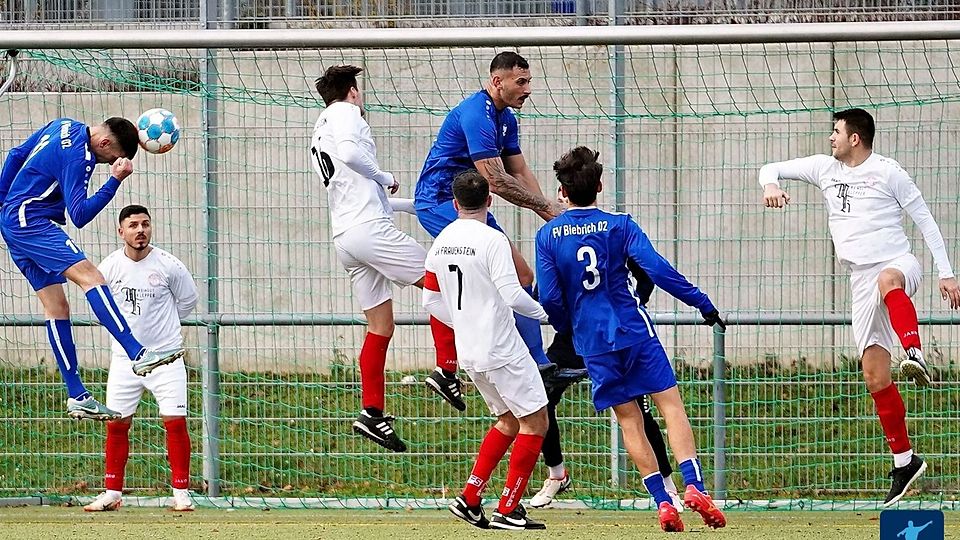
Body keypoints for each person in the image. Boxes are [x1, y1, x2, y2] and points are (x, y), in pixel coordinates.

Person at [759, 108, 959, 507]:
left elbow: (925, 221)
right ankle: (905, 461)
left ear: (855, 138)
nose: (830, 138)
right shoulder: (823, 169)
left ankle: (914, 352)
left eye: (836, 132)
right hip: (859, 279)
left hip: (899, 265)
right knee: (874, 376)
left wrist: (947, 273)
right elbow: (771, 167)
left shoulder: (889, 172)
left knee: (889, 280)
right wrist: (770, 186)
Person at [536, 147, 727, 532]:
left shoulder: (547, 235)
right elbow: (656, 268)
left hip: (593, 343)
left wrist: (570, 326)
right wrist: (701, 302)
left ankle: (662, 503)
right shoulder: (620, 224)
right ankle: (694, 486)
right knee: (671, 407)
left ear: (562, 192)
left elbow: (551, 298)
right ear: (600, 187)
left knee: (629, 420)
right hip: (633, 329)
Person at [310, 65, 459, 452]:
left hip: (347, 236)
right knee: (441, 278)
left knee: (380, 325)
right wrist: (383, 174)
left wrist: (410, 204)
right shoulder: (347, 114)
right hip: (367, 231)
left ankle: (372, 413)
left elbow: (357, 188)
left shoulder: (320, 125)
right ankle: (446, 369)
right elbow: (351, 156)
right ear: (353, 92)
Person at [0, 117, 187, 420]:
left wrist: (0, 201)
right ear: (103, 144)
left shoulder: (63, 124)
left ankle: (77, 396)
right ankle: (138, 353)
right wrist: (115, 181)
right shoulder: (79, 157)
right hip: (31, 222)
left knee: (57, 307)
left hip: (13, 221)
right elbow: (80, 214)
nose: (105, 163)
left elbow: (16, 154)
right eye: (108, 158)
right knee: (93, 278)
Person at [415, 51, 565, 408]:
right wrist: (547, 208)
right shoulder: (475, 114)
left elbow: (519, 172)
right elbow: (495, 180)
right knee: (481, 282)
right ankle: (450, 365)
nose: (528, 89)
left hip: (474, 203)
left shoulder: (506, 119)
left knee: (522, 273)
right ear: (497, 81)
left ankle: (538, 362)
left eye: (529, 81)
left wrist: (552, 216)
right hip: (442, 202)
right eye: (521, 82)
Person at [530, 188, 680, 510]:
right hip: (574, 335)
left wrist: (635, 302)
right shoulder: (553, 239)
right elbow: (547, 292)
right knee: (540, 397)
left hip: (613, 333)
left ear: (563, 192)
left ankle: (668, 488)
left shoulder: (612, 231)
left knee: (638, 408)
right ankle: (557, 474)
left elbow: (645, 273)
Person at [422, 171, 550, 530]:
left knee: (509, 421)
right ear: (490, 200)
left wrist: (463, 321)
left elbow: (430, 300)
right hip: (501, 347)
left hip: (471, 351)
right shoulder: (493, 239)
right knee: (536, 421)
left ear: (454, 203)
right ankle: (509, 508)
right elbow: (513, 294)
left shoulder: (442, 240)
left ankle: (470, 498)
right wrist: (546, 314)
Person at [83, 205, 199, 512]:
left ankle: (181, 493)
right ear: (121, 231)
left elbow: (188, 300)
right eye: (133, 225)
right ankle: (112, 492)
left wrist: (166, 332)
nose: (140, 230)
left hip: (166, 359)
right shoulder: (108, 267)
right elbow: (100, 308)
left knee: (175, 422)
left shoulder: (169, 265)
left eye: (145, 224)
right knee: (116, 424)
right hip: (125, 360)